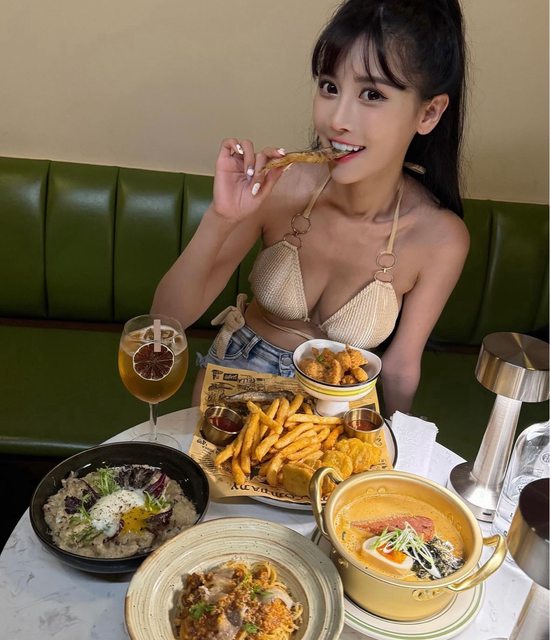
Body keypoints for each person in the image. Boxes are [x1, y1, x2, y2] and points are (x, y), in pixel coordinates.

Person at [151, 0, 470, 416]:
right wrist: (221, 219)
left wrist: (397, 441)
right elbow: (165, 321)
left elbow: (400, 368)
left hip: (337, 414)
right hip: (232, 395)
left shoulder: (440, 238)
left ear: (429, 112)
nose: (337, 119)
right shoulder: (282, 186)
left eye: (372, 94)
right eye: (329, 87)